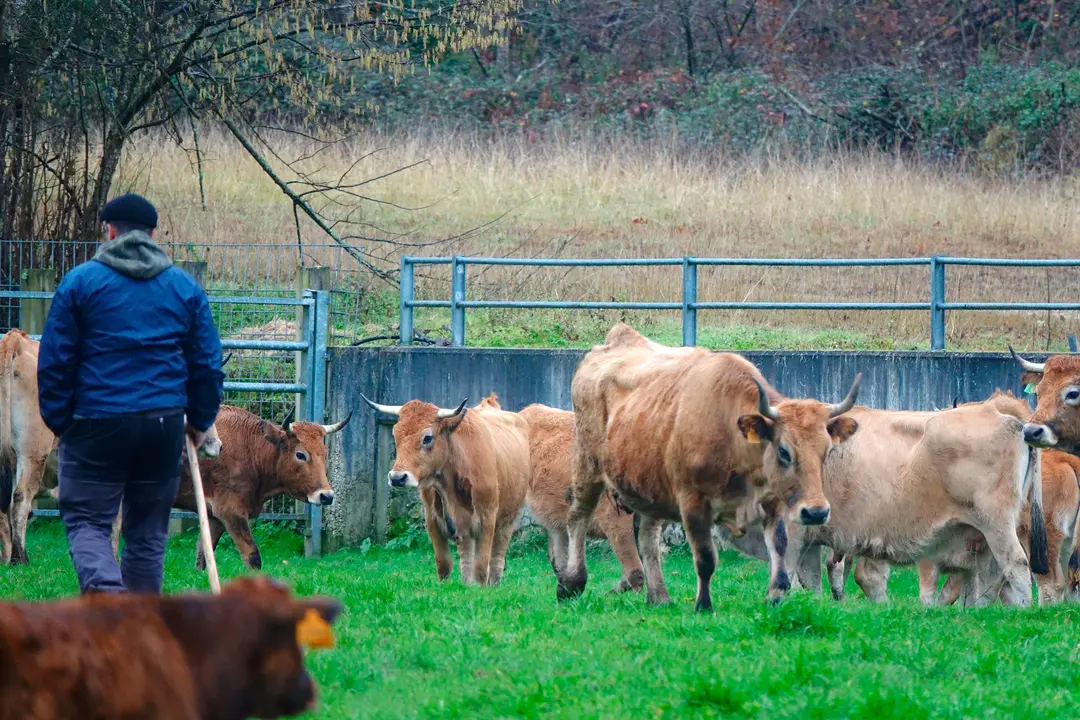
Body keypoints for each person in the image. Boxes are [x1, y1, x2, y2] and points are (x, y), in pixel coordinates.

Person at [37, 192, 224, 595]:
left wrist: (61, 421)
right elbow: (207, 364)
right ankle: (137, 632)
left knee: (87, 522)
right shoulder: (183, 288)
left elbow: (54, 362)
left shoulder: (80, 283)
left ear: (109, 231)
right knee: (147, 535)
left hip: (94, 421)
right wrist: (198, 421)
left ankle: (108, 600)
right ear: (154, 234)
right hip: (162, 423)